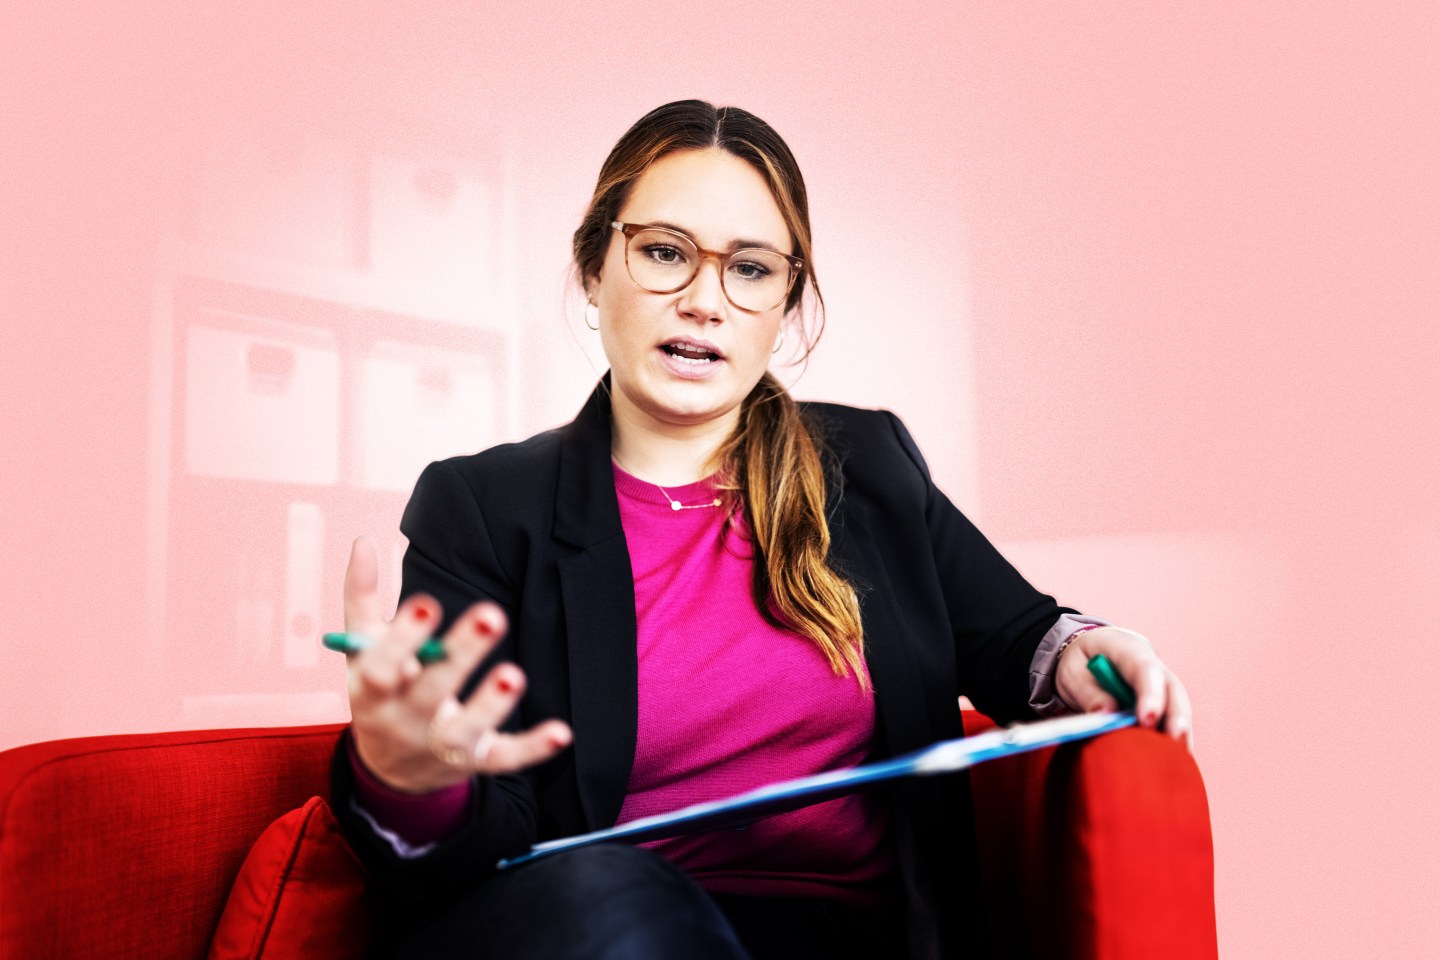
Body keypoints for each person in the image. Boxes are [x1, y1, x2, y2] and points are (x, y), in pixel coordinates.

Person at [329, 100, 1195, 960]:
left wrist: (1081, 652)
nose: (706, 301)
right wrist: (414, 781)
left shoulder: (870, 466)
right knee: (621, 904)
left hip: (847, 940)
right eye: (665, 253)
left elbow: (1019, 639)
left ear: (786, 302)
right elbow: (475, 836)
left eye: (749, 269)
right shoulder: (482, 506)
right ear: (594, 271)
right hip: (599, 929)